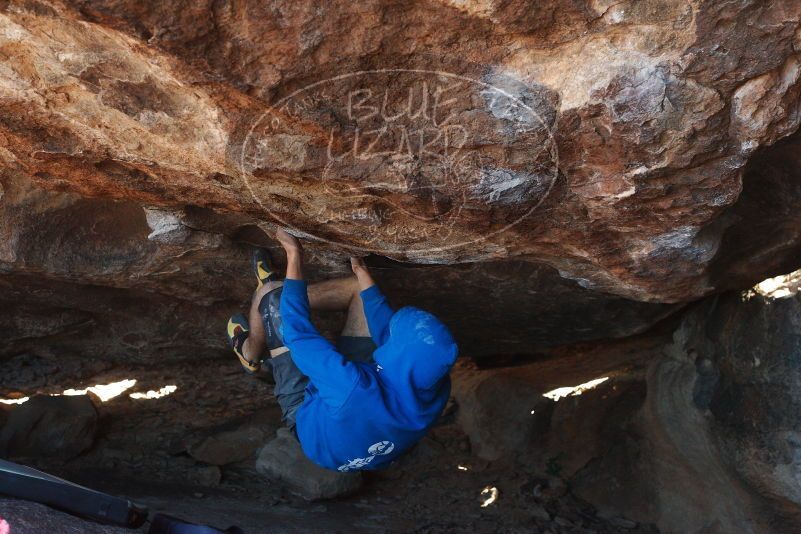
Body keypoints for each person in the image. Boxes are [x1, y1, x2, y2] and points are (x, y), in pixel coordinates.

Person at [226, 229, 459, 472]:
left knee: (272, 300)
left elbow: (297, 333)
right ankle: (284, 297)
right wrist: (362, 273)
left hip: (317, 434)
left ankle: (250, 353)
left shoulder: (351, 387)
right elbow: (383, 329)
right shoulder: (435, 382)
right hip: (364, 420)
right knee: (359, 291)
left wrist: (294, 255)